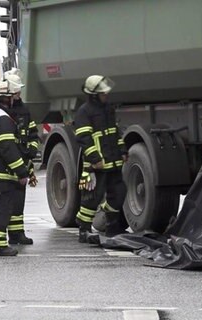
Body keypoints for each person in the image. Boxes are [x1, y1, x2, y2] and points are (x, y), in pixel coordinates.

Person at [74, 75, 128, 242]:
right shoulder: (84, 111)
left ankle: (112, 227)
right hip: (96, 165)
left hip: (113, 161)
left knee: (119, 193)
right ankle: (84, 230)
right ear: (94, 94)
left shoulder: (108, 109)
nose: (106, 95)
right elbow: (84, 138)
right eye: (103, 93)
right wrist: (95, 158)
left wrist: (122, 149)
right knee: (92, 198)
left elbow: (114, 132)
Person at [0, 80, 30, 256]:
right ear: (5, 98)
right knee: (1, 209)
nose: (13, 99)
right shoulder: (3, 119)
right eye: (11, 96)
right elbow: (8, 148)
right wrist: (22, 171)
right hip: (1, 174)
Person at [3, 69, 39, 245]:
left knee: (19, 201)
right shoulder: (0, 110)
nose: (18, 94)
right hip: (7, 164)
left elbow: (33, 133)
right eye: (16, 91)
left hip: (23, 162)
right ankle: (9, 234)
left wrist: (32, 149)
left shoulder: (24, 110)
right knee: (7, 202)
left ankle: (18, 234)